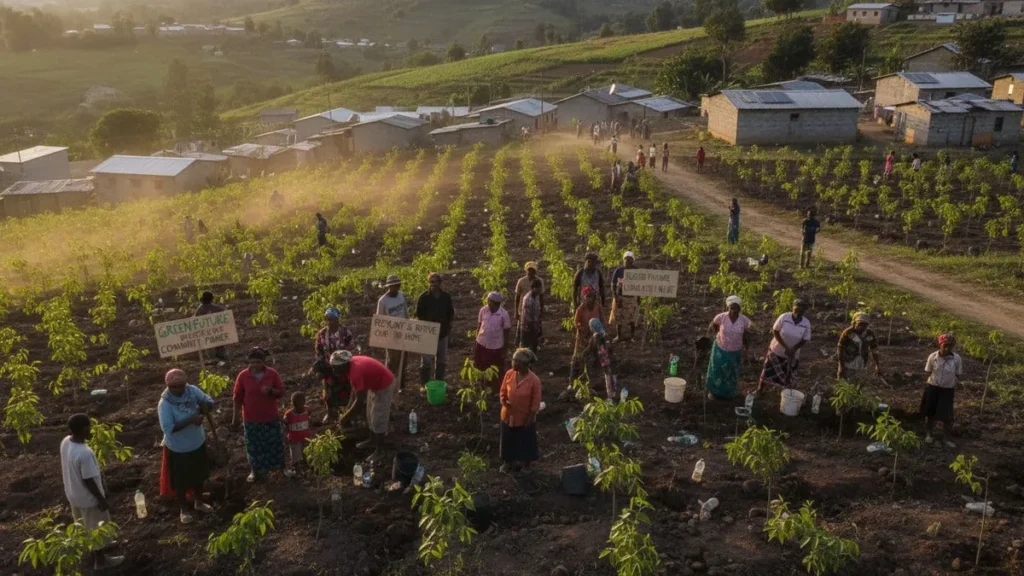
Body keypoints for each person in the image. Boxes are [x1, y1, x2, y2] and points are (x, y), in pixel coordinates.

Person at [61, 414, 124, 569]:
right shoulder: (84, 453)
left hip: (73, 494)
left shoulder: (66, 442)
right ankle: (101, 561)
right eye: (89, 427)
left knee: (85, 525)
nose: (91, 430)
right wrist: (101, 499)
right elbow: (88, 480)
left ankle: (103, 545)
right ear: (84, 429)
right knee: (96, 528)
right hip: (88, 499)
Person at [158, 368, 215, 524]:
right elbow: (168, 428)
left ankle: (199, 502)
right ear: (168, 386)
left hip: (197, 442)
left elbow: (209, 402)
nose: (177, 390)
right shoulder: (165, 403)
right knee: (180, 481)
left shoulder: (192, 391)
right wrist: (190, 420)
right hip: (178, 447)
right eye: (173, 387)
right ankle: (183, 509)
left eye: (180, 386)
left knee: (199, 474)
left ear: (185, 384)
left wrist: (206, 407)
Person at [232, 348, 285, 483]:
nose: (255, 365)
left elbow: (281, 392)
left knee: (275, 443)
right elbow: (237, 398)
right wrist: (235, 418)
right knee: (254, 446)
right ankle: (254, 471)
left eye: (258, 362)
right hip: (251, 418)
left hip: (270, 416)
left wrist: (271, 391)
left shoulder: (272, 374)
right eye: (252, 362)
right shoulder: (243, 376)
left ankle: (282, 468)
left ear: (263, 362)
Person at [335, 350, 396, 458]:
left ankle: (379, 451)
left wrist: (345, 418)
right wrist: (348, 408)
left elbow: (359, 402)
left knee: (378, 418)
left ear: (343, 365)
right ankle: (372, 440)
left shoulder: (355, 373)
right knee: (370, 414)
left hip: (384, 384)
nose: (334, 370)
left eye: (336, 367)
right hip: (374, 383)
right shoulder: (350, 365)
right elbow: (355, 391)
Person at [499, 348, 542, 474]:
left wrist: (531, 416)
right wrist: (503, 400)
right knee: (508, 440)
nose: (513, 363)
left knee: (525, 440)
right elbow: (502, 391)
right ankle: (508, 463)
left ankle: (526, 465)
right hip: (508, 415)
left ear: (524, 364)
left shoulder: (534, 381)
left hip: (524, 417)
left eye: (516, 361)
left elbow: (536, 401)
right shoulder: (509, 374)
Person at [759, 299, 811, 391]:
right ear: (793, 307)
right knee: (767, 371)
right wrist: (786, 347)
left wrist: (793, 349)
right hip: (777, 350)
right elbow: (775, 331)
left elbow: (805, 339)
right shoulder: (784, 317)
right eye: (796, 308)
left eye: (801, 309)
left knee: (788, 375)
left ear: (804, 311)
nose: (798, 311)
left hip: (793, 353)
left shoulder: (806, 323)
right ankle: (760, 390)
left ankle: (784, 393)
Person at [705, 296, 752, 400]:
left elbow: (746, 336)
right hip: (720, 348)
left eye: (737, 308)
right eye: (732, 308)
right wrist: (719, 335)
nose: (735, 310)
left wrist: (746, 350)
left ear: (740, 309)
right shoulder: (721, 317)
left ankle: (728, 393)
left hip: (735, 350)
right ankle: (713, 392)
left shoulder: (744, 320)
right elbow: (715, 325)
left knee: (731, 373)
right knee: (717, 370)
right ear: (727, 308)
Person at [921, 334, 962, 447]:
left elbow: (958, 374)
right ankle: (929, 434)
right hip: (933, 388)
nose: (947, 348)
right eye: (945, 345)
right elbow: (928, 372)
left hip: (947, 390)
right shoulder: (933, 357)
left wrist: (949, 382)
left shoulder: (956, 359)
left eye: (950, 346)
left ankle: (946, 438)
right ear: (940, 345)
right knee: (930, 413)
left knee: (947, 416)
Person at [415, 272, 455, 387]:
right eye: (431, 282)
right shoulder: (424, 297)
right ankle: (424, 385)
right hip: (428, 334)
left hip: (443, 333)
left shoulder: (446, 297)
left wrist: (449, 329)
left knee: (441, 361)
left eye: (435, 282)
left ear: (440, 283)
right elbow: (419, 315)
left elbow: (450, 314)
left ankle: (439, 383)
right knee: (426, 361)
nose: (433, 284)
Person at [377, 274, 409, 387]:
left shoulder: (401, 295)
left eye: (397, 285)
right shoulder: (383, 301)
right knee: (392, 361)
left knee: (403, 359)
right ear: (389, 287)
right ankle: (388, 384)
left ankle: (401, 385)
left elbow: (405, 312)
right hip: (391, 335)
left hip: (403, 332)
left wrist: (408, 325)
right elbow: (380, 320)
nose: (395, 288)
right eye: (393, 286)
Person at [475, 292, 512, 388]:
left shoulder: (504, 315)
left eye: (490, 302)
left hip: (495, 346)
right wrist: (476, 340)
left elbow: (506, 332)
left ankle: (494, 386)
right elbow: (479, 325)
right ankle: (482, 384)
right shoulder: (483, 310)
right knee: (480, 365)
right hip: (482, 342)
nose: (488, 303)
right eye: (488, 301)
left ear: (497, 304)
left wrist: (505, 348)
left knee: (494, 368)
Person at [837, 312, 881, 383]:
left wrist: (877, 365)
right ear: (854, 323)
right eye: (860, 324)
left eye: (865, 325)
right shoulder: (848, 332)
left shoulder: (869, 333)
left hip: (862, 363)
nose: (862, 327)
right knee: (844, 385)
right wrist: (840, 366)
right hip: (848, 363)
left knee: (859, 385)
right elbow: (840, 348)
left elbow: (874, 349)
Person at [609, 251, 638, 343]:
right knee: (619, 318)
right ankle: (619, 336)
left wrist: (639, 298)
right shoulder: (619, 271)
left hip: (632, 297)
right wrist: (615, 297)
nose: (628, 262)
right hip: (620, 297)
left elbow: (641, 285)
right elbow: (613, 285)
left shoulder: (636, 271)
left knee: (632, 318)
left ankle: (632, 336)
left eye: (630, 260)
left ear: (633, 261)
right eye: (626, 260)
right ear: (623, 260)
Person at [193, 291, 229, 363]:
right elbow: (225, 312)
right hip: (216, 332)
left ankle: (217, 361)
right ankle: (221, 361)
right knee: (219, 348)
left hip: (209, 333)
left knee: (212, 349)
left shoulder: (200, 309)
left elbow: (195, 320)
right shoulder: (217, 308)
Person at [283, 392, 312, 478]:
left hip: (306, 437)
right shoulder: (289, 414)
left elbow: (309, 417)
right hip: (295, 438)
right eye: (297, 405)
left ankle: (307, 469)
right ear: (293, 404)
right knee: (296, 455)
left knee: (306, 453)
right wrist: (288, 435)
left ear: (304, 403)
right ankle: (297, 470)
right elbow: (285, 424)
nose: (300, 407)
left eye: (301, 404)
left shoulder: (307, 410)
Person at [518, 278, 544, 353]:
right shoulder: (528, 300)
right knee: (526, 348)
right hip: (528, 328)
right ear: (533, 288)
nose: (540, 290)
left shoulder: (535, 296)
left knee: (533, 346)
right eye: (538, 288)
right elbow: (528, 319)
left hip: (534, 325)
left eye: (540, 288)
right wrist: (534, 330)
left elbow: (536, 312)